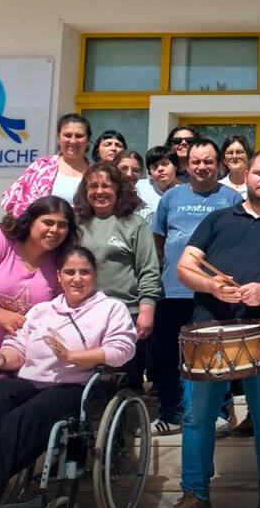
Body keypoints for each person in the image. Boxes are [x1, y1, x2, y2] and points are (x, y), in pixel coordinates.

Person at [173, 150, 260, 508]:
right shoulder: (217, 219)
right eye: (259, 173)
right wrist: (210, 286)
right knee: (198, 416)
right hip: (211, 328)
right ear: (246, 175)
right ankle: (194, 493)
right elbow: (185, 267)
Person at [0, 246, 136, 501]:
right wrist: (2, 358)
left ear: (95, 274)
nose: (77, 279)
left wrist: (73, 357)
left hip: (76, 387)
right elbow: (17, 347)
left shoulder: (111, 308)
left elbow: (122, 350)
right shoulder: (41, 310)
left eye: (84, 272)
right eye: (70, 272)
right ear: (59, 276)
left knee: (24, 419)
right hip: (29, 381)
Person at [149, 138, 243, 434]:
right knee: (170, 357)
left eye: (208, 161)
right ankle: (171, 415)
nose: (202, 167)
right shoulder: (170, 198)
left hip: (215, 292)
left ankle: (220, 414)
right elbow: (160, 239)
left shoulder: (231, 198)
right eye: (196, 162)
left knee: (216, 354)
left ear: (219, 165)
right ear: (186, 166)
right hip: (173, 292)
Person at [74, 162, 160, 389]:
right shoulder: (75, 224)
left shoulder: (135, 224)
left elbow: (148, 269)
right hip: (83, 314)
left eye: (106, 186)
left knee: (124, 383)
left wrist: (147, 310)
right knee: (87, 383)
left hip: (126, 314)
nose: (99, 191)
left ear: (118, 189)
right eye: (93, 186)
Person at [0, 196, 76, 351]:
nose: (54, 230)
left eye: (62, 225)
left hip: (11, 356)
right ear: (31, 221)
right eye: (48, 222)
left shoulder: (62, 264)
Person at [2, 113, 92, 215]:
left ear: (88, 140)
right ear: (59, 138)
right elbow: (15, 202)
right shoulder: (40, 167)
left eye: (79, 136)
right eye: (67, 135)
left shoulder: (95, 173)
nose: (73, 140)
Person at [136, 146, 180, 217]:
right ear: (149, 171)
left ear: (175, 166)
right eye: (155, 166)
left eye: (165, 164)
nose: (160, 169)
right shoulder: (139, 188)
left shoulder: (185, 192)